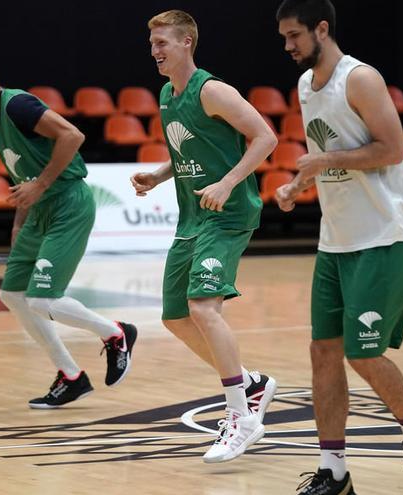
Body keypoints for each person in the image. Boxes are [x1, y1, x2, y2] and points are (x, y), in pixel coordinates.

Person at [275, 1, 403, 493]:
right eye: (283, 37)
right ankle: (334, 471)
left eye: (294, 36)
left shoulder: (361, 79)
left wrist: (320, 161)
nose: (287, 46)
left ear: (321, 29)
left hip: (382, 235)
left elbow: (392, 150)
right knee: (322, 352)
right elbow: (331, 161)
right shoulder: (306, 86)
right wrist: (298, 184)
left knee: (363, 353)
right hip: (336, 239)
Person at [130, 10, 279, 463]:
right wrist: (159, 175)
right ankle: (251, 385)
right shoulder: (166, 94)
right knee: (175, 317)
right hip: (192, 217)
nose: (155, 51)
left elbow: (265, 138)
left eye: (163, 43)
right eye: (152, 43)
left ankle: (242, 417)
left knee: (203, 307)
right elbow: (188, 151)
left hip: (227, 214)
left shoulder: (212, 90)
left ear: (187, 42)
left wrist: (228, 182)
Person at [0, 53, 137, 409]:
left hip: (68, 203)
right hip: (38, 211)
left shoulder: (18, 105)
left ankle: (116, 333)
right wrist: (19, 222)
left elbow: (72, 135)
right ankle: (70, 376)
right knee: (13, 295)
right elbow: (23, 179)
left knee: (42, 299)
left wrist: (41, 185)